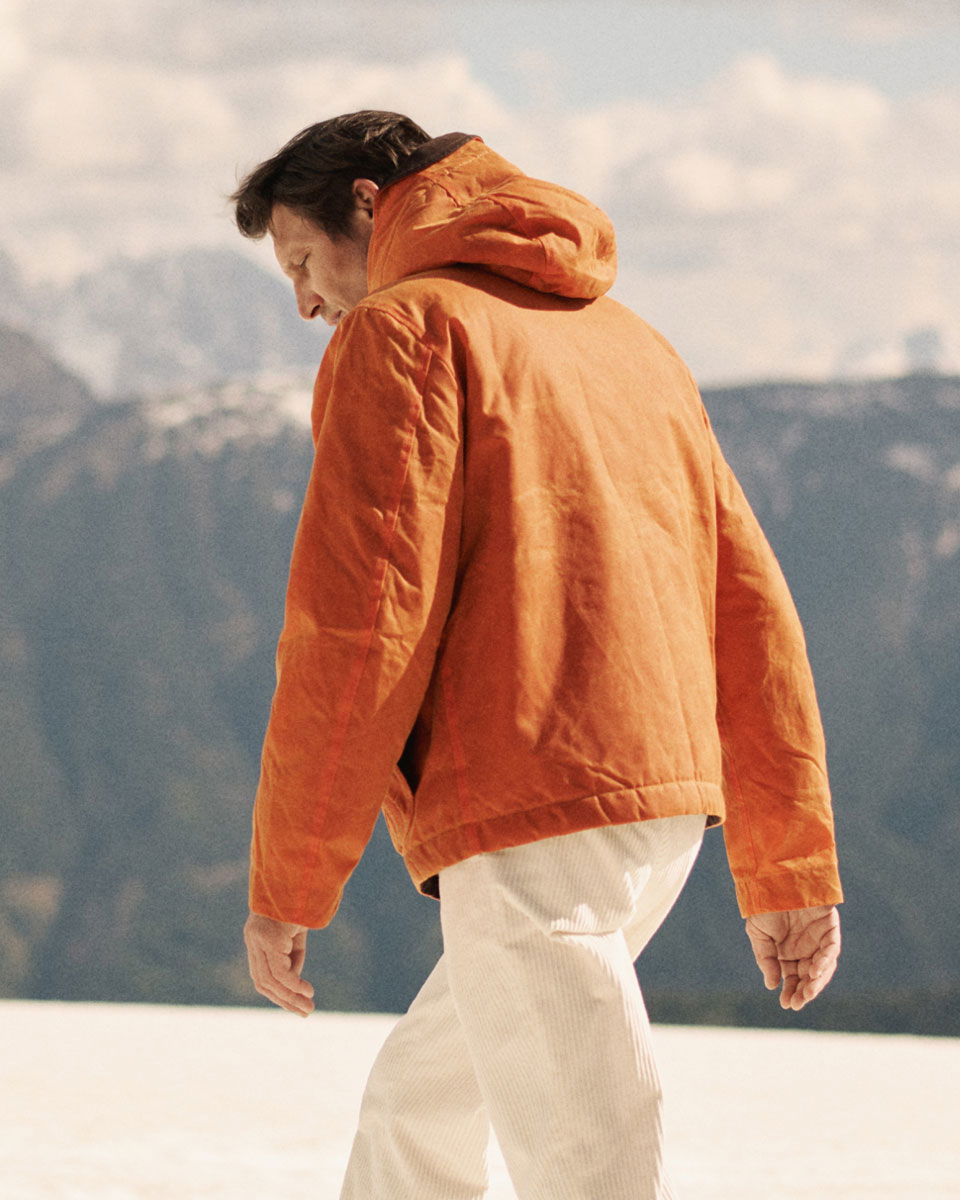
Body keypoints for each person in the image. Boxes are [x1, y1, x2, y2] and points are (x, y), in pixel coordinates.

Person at [231, 110, 843, 1200]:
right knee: (420, 1111)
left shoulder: (406, 332)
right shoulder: (633, 343)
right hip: (658, 810)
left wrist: (290, 881)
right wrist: (784, 858)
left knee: (587, 1152)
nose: (306, 302)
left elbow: (361, 627)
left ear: (369, 205)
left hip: (528, 804)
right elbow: (747, 601)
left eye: (302, 261)